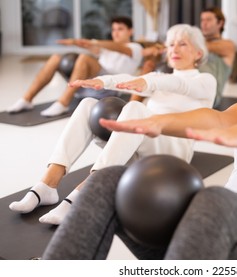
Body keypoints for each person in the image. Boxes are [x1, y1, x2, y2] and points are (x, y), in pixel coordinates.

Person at [42, 35, 237, 260]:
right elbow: (215, 119)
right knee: (108, 179)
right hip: (206, 235)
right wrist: (155, 123)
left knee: (216, 198)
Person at [8, 24, 216, 225]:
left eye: (182, 44)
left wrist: (149, 82)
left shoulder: (205, 80)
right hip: (138, 144)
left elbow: (179, 84)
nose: (174, 49)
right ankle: (47, 185)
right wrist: (103, 81)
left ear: (198, 54)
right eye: (170, 45)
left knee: (136, 109)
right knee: (88, 103)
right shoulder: (158, 78)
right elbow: (130, 78)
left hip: (174, 150)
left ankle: (86, 192)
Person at [7, 16, 158, 117]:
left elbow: (118, 48)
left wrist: (94, 43)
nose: (116, 33)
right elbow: (92, 47)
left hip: (106, 89)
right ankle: (26, 99)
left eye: (120, 29)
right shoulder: (105, 48)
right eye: (113, 29)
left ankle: (63, 103)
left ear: (130, 31)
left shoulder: (135, 48)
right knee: (56, 58)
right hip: (85, 85)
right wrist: (76, 42)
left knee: (85, 59)